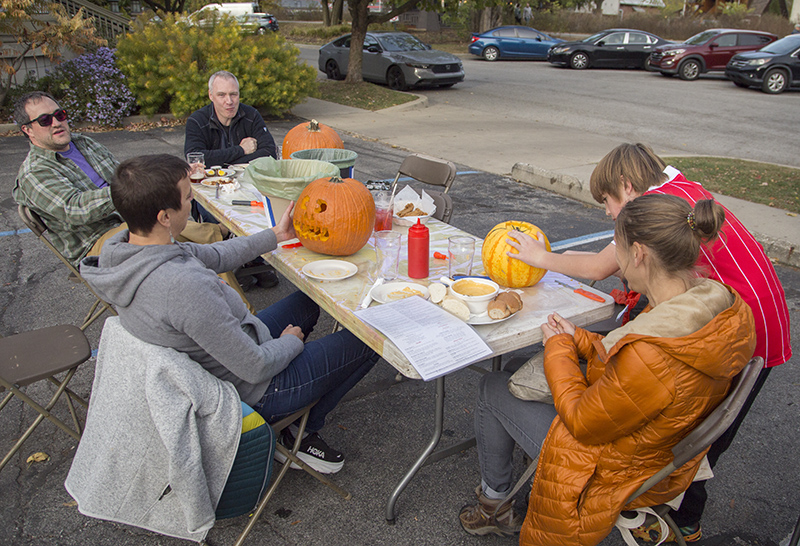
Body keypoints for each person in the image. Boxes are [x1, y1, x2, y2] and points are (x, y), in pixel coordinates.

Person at [506, 142, 791, 541]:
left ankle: (662, 508)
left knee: (697, 433)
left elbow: (602, 265)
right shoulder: (682, 191)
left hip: (737, 329)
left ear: (625, 184)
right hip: (751, 319)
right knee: (700, 426)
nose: (607, 211)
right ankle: (681, 515)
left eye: (607, 199)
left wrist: (541, 257)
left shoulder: (657, 209)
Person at [459, 194, 756, 545]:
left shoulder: (651, 352)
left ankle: (496, 506)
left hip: (617, 469)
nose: (615, 261)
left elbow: (584, 420)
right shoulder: (707, 304)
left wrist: (558, 347)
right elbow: (627, 354)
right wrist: (579, 339)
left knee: (493, 387)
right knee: (514, 367)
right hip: (659, 442)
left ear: (639, 254)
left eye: (619, 250)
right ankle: (516, 482)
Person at [80, 154, 379, 474]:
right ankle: (299, 432)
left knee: (307, 302)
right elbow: (255, 366)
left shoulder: (130, 251)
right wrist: (291, 343)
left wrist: (275, 235)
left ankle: (299, 417)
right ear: (165, 216)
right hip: (255, 388)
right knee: (370, 337)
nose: (192, 199)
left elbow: (212, 255)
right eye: (187, 196)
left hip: (226, 350)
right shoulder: (181, 287)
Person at [11, 91, 258, 310]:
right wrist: (132, 190)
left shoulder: (84, 143)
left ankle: (243, 313)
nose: (56, 122)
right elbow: (76, 210)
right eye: (45, 120)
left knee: (176, 226)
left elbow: (126, 174)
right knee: (175, 239)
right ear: (28, 130)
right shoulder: (35, 172)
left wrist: (169, 174)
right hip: (98, 241)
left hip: (130, 218)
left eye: (60, 114)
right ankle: (222, 235)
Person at [184, 70, 277, 167]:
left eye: (233, 94)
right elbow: (195, 159)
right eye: (221, 95)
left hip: (245, 178)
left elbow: (269, 153)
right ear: (211, 95)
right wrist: (241, 150)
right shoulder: (197, 121)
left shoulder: (251, 115)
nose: (229, 101)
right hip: (210, 180)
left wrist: (221, 161)